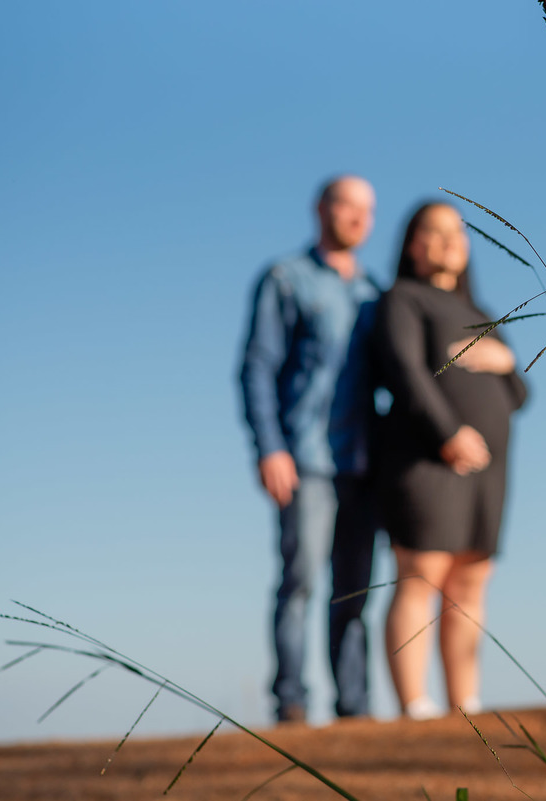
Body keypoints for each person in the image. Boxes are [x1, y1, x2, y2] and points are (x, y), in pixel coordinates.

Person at [370, 202, 527, 719]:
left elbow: (520, 396)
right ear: (411, 244)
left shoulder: (482, 313)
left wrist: (505, 361)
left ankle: (467, 706)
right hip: (426, 459)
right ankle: (415, 704)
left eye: (456, 231)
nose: (447, 240)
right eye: (432, 232)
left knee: (470, 580)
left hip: (490, 469)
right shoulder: (401, 299)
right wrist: (448, 432)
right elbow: (404, 370)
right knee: (422, 574)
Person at [239, 175, 380, 724]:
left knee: (357, 590)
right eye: (348, 205)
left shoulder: (375, 291)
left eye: (368, 210)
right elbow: (257, 367)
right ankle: (291, 702)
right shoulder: (286, 278)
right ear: (321, 208)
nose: (358, 218)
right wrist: (269, 446)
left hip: (365, 462)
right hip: (306, 458)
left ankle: (355, 707)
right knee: (299, 579)